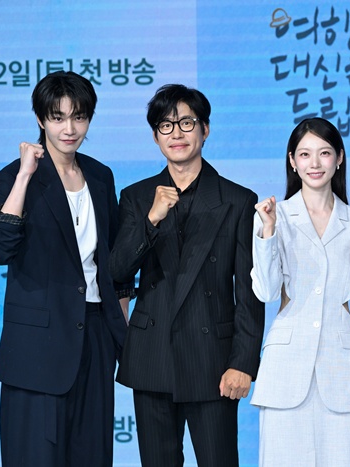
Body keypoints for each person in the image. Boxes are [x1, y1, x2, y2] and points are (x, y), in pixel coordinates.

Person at [0, 70, 130, 466]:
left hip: (94, 335)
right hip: (36, 347)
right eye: (58, 117)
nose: (69, 129)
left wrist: (120, 328)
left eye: (79, 117)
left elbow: (113, 261)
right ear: (41, 118)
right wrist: (25, 175)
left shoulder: (100, 176)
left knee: (92, 455)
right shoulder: (12, 177)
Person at [109, 84, 264, 467]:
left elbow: (250, 291)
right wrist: (151, 220)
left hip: (214, 362)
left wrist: (243, 362)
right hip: (152, 356)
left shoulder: (238, 200)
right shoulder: (136, 197)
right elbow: (117, 271)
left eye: (187, 123)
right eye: (166, 125)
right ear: (155, 136)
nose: (176, 133)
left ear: (205, 129)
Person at [250, 118, 350, 466]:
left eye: (324, 153)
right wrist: (268, 232)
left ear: (339, 158)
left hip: (342, 371)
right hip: (285, 369)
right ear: (292, 161)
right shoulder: (273, 215)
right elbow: (266, 292)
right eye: (305, 154)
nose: (314, 163)